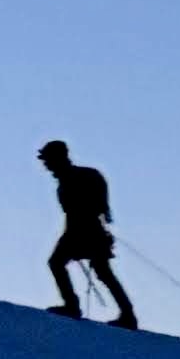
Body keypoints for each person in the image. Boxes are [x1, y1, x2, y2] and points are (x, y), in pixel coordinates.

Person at [38, 140, 139, 328]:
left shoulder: (80, 177)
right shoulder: (81, 177)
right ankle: (126, 314)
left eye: (48, 160)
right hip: (83, 230)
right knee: (100, 271)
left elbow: (93, 208)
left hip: (86, 230)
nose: (46, 166)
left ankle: (75, 306)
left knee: (67, 265)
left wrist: (76, 235)